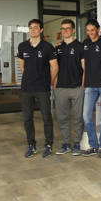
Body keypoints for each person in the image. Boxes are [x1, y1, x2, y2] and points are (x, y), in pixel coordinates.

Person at [17, 19, 58, 158]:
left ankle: (48, 144)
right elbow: (22, 66)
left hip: (43, 88)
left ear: (41, 30)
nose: (33, 30)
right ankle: (31, 144)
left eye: (36, 28)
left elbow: (55, 67)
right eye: (31, 28)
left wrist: (48, 81)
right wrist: (30, 78)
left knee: (46, 117)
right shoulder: (22, 46)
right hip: (27, 88)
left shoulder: (48, 47)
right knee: (27, 118)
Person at [54, 19, 85, 156]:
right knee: (62, 117)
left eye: (67, 28)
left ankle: (77, 143)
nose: (65, 31)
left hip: (77, 87)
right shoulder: (58, 48)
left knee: (78, 117)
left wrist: (83, 86)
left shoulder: (80, 46)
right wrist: (54, 83)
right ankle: (66, 143)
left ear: (73, 30)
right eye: (63, 28)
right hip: (61, 88)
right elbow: (54, 67)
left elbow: (85, 68)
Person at [81, 19, 101, 157]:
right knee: (86, 116)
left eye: (92, 30)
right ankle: (93, 145)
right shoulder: (85, 43)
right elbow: (83, 63)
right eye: (88, 30)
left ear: (98, 29)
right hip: (90, 85)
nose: (90, 33)